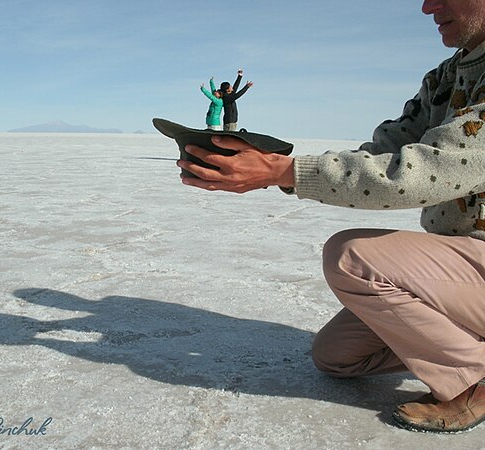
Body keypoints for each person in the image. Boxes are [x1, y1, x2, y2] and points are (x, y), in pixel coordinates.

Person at [177, 0, 485, 434]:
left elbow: (431, 170)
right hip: (466, 262)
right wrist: (273, 167)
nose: (427, 6)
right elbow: (385, 151)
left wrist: (284, 173)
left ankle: (472, 380)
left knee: (350, 256)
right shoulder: (445, 78)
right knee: (338, 356)